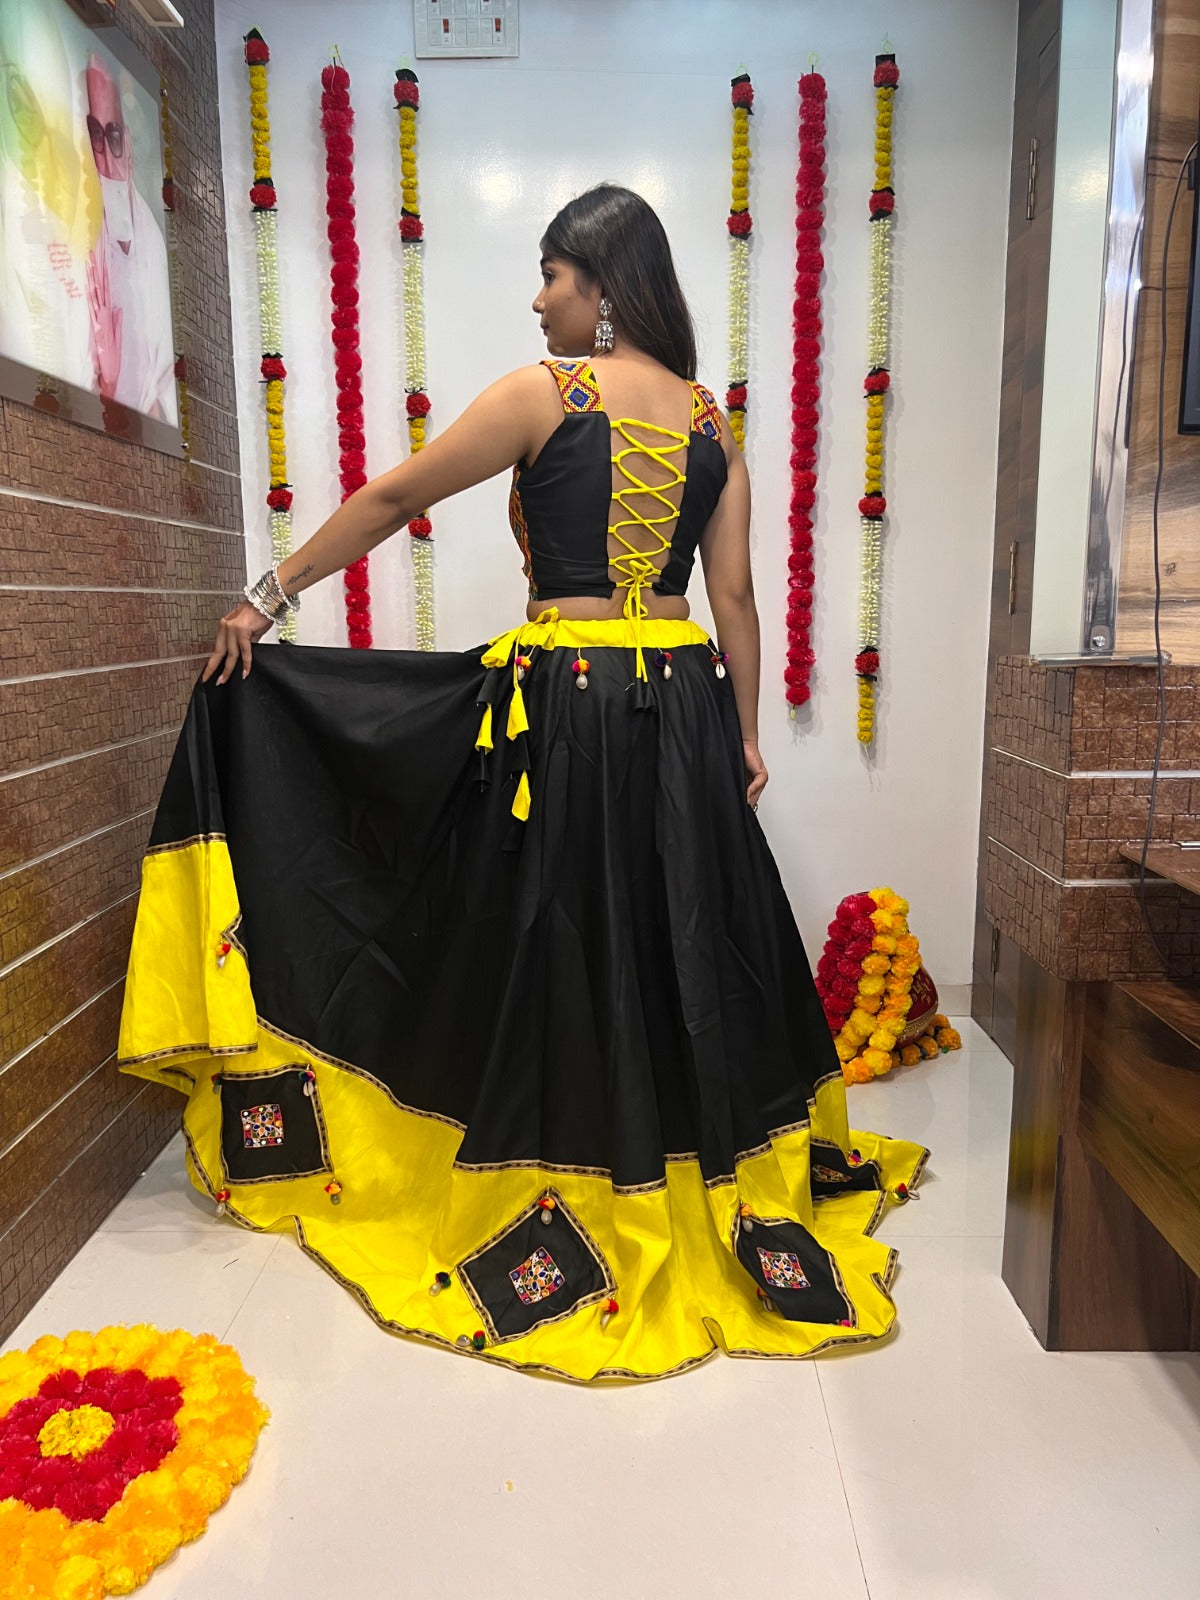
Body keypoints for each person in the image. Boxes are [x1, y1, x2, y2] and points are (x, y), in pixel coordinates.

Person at [119, 186, 926, 1383]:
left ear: (604, 289)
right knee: (674, 937)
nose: (540, 298)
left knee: (560, 929)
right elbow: (734, 598)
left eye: (554, 275)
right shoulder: (713, 423)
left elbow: (397, 497)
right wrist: (745, 734)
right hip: (683, 704)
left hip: (573, 704)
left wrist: (267, 597)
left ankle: (563, 1160)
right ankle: (687, 1170)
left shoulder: (548, 394)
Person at [84, 53, 174, 419]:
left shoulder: (151, 239)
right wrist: (105, 389)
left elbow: (164, 379)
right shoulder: (84, 233)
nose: (106, 154)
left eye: (113, 136)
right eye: (96, 134)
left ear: (130, 143)